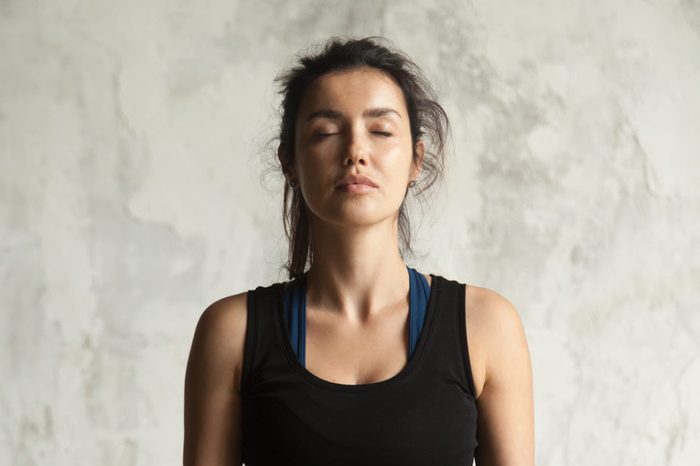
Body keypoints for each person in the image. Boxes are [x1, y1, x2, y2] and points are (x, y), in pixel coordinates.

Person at [183, 36, 534, 466]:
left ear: (416, 161)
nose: (355, 152)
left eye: (381, 131)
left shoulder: (485, 327)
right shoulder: (232, 333)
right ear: (289, 162)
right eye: (326, 132)